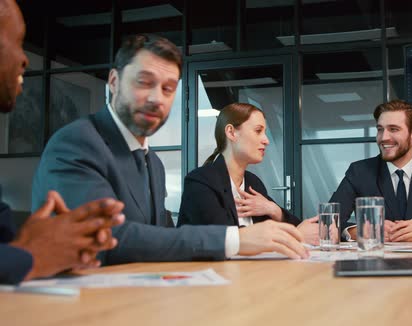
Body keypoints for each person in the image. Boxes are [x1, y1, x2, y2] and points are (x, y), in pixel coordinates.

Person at [32, 34, 309, 264]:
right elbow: (104, 238)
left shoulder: (153, 163)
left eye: (167, 88)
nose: (157, 98)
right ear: (114, 82)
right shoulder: (78, 142)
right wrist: (235, 239)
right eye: (144, 82)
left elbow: (160, 239)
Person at [0, 0, 124, 284]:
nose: (25, 59)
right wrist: (29, 257)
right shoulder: (78, 139)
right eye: (16, 41)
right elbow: (19, 255)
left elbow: (12, 246)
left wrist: (58, 246)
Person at [177, 103, 319, 245]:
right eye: (258, 131)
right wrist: (295, 236)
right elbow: (223, 242)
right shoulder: (200, 182)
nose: (266, 140)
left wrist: (275, 210)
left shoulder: (253, 182)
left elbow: (296, 228)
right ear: (231, 132)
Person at [330, 100, 412, 242]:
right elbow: (328, 221)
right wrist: (359, 231)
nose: (383, 137)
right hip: (375, 260)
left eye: (393, 129)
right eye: (380, 129)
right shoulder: (359, 172)